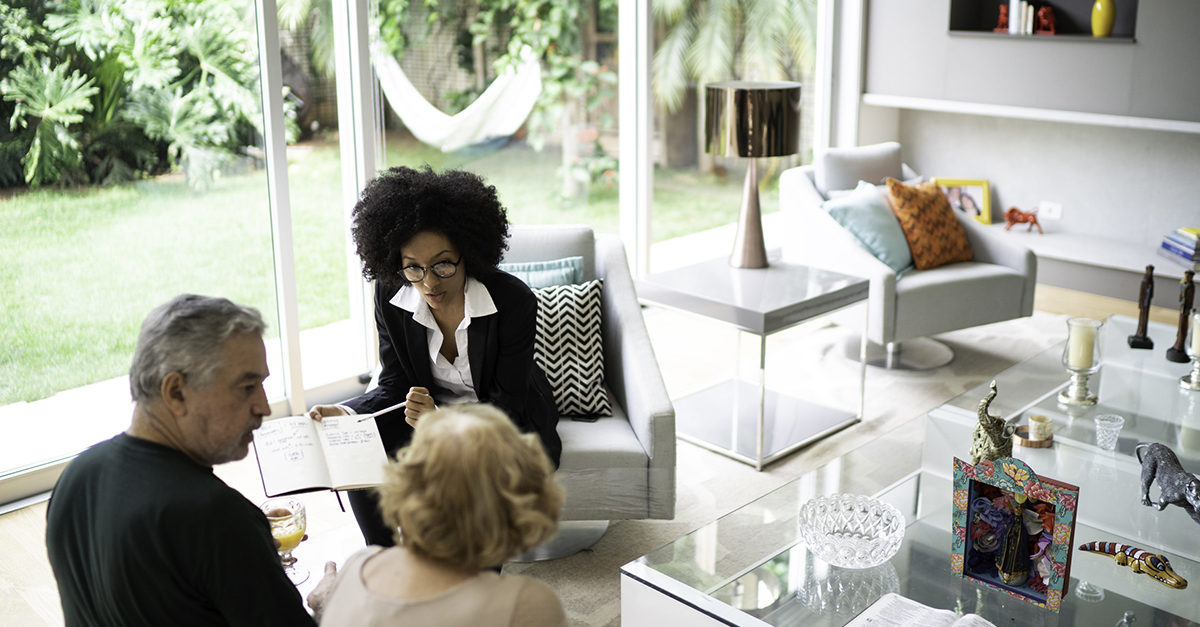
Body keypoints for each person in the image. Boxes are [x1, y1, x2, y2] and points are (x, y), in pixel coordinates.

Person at [308, 166, 561, 546]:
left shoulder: (512, 300)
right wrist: (347, 414)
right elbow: (395, 382)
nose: (429, 282)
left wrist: (440, 421)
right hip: (425, 413)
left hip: (504, 425)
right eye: (413, 267)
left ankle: (478, 579)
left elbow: (507, 404)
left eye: (443, 263)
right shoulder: (390, 295)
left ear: (468, 253)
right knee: (359, 448)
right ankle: (385, 560)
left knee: (475, 485)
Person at [45, 294, 329, 626]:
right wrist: (332, 606)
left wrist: (242, 560)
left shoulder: (77, 476)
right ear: (176, 392)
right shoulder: (218, 518)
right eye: (247, 386)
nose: (264, 407)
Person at [318, 404, 566, 627]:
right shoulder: (528, 604)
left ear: (405, 484)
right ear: (519, 499)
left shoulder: (357, 567)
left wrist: (326, 604)